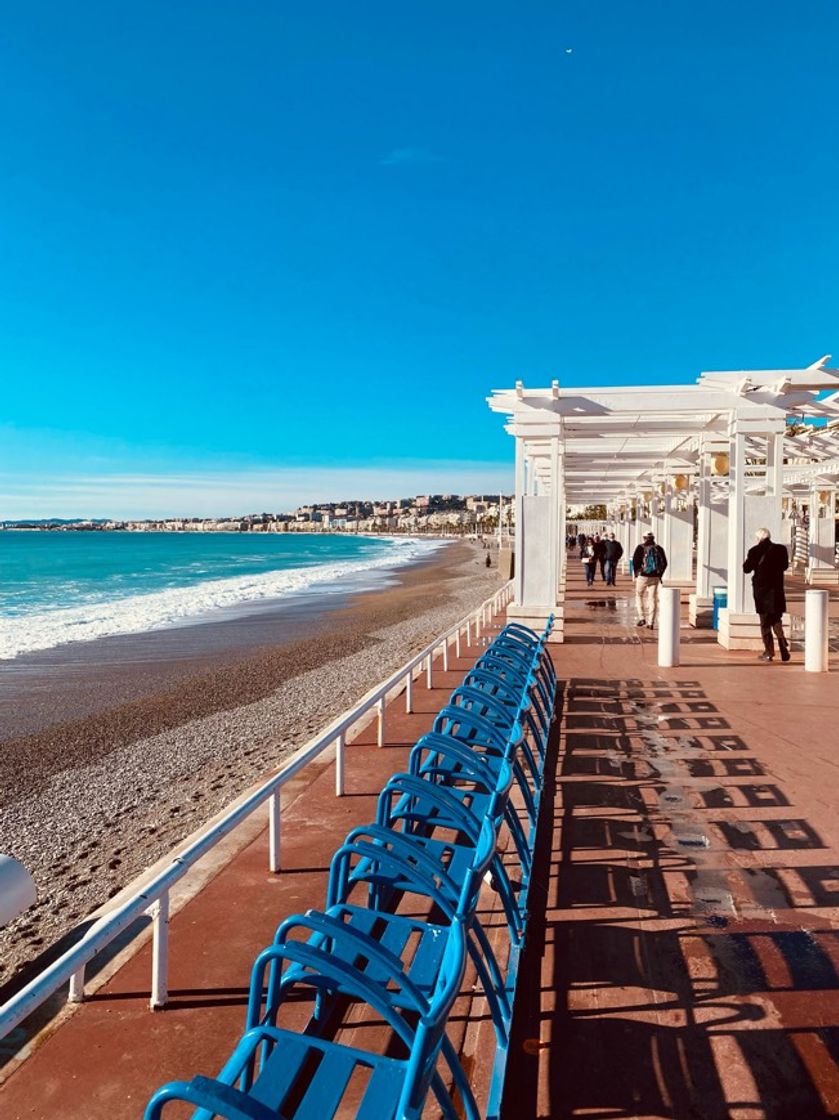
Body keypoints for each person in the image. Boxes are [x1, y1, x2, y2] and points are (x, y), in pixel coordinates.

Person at [743, 527, 790, 662]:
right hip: (777, 591)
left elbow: (746, 569)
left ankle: (769, 652)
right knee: (776, 619)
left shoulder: (754, 551)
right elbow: (785, 566)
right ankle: (783, 647)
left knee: (765, 622)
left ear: (758, 538)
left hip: (762, 592)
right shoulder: (781, 549)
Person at [632, 531, 667, 629]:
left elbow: (635, 561)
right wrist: (659, 574)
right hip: (655, 577)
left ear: (644, 538)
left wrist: (637, 573)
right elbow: (664, 563)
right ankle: (651, 622)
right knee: (652, 598)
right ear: (653, 538)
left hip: (643, 576)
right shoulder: (659, 548)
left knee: (639, 595)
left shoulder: (640, 548)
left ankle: (642, 617)